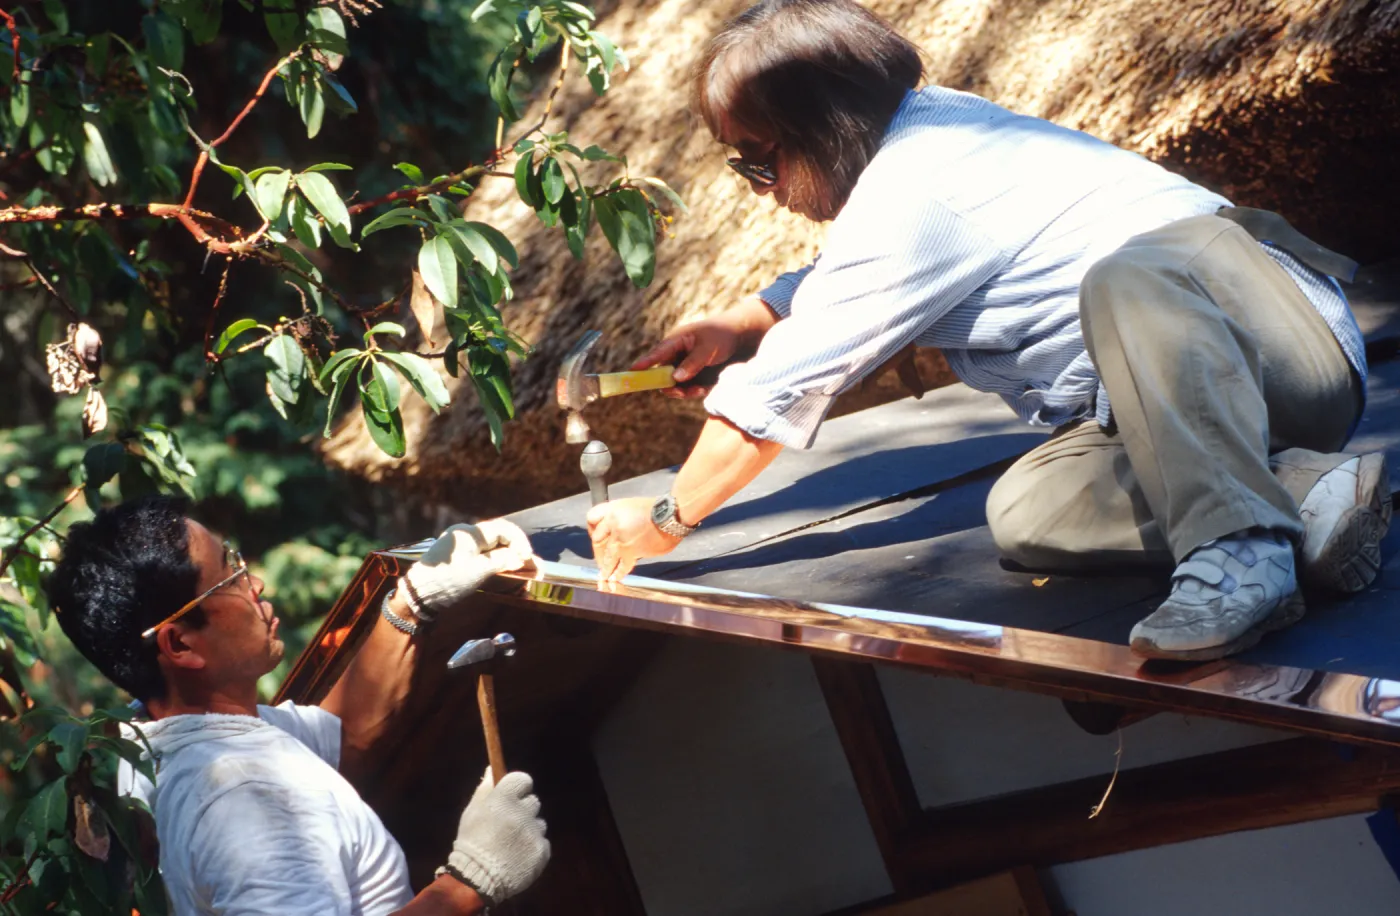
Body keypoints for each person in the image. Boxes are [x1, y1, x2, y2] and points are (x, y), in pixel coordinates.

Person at [585, 0, 1391, 661]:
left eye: (757, 162)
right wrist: (745, 318)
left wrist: (664, 522)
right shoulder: (923, 141)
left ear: (826, 126)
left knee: (1130, 278)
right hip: (1191, 409)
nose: (756, 190)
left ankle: (1244, 553)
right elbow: (844, 281)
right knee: (1029, 510)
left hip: (1280, 344)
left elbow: (774, 393)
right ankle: (1304, 493)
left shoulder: (919, 193)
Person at [47, 495, 549, 915]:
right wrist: (466, 884)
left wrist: (410, 603)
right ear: (180, 646)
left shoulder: (161, 739)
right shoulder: (242, 799)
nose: (256, 584)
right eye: (232, 577)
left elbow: (345, 732)